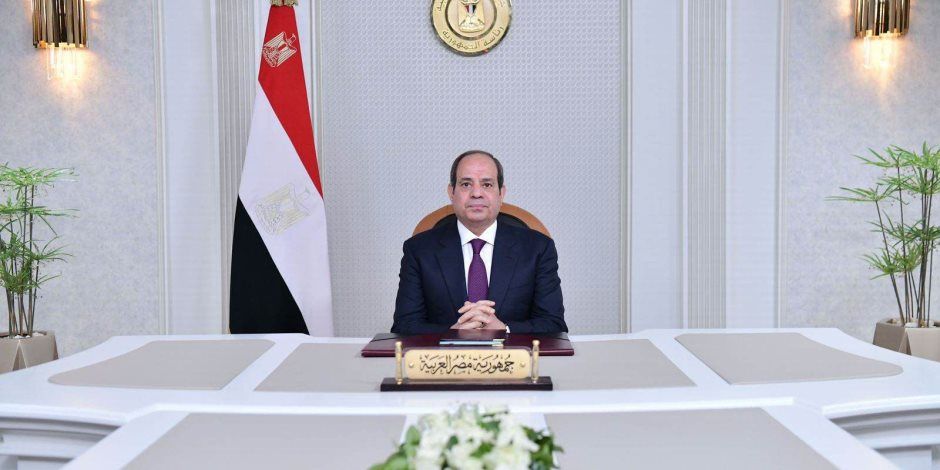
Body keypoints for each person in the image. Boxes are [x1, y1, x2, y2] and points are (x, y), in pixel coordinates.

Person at [391, 150, 567, 334]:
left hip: (512, 351)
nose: (476, 193)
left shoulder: (538, 248)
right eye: (466, 184)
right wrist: (452, 333)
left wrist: (505, 330)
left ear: (501, 193)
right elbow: (404, 326)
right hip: (446, 352)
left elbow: (554, 325)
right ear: (451, 192)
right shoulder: (418, 250)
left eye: (487, 184)